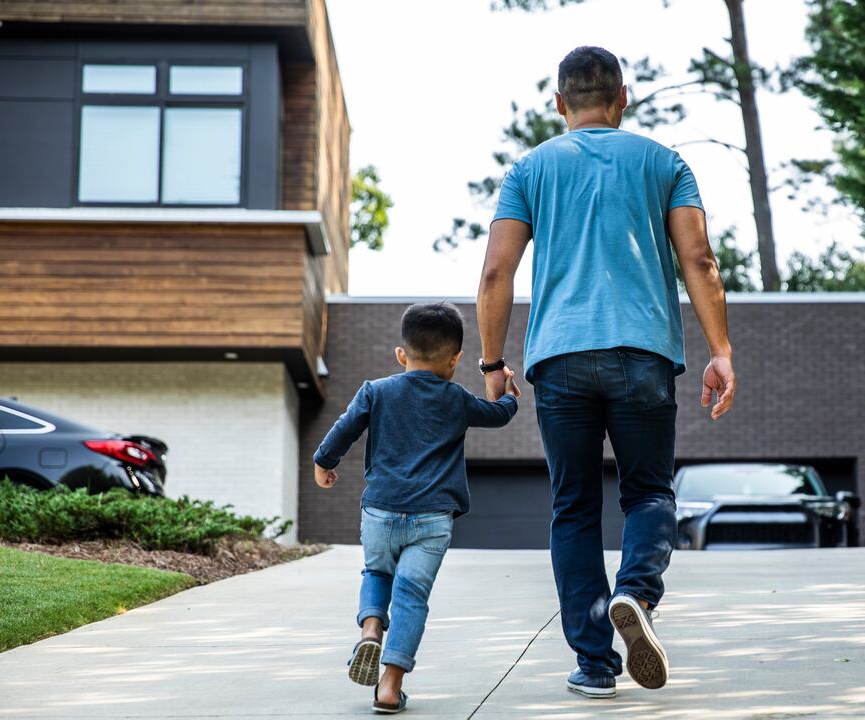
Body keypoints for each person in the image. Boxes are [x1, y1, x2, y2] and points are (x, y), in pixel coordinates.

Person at [476, 45, 737, 699]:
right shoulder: (664, 162)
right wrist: (721, 350)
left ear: (559, 103)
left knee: (573, 509)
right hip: (642, 353)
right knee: (649, 493)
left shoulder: (529, 169)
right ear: (624, 98)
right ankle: (637, 596)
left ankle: (594, 665)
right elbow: (699, 260)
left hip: (559, 360)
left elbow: (495, 273)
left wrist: (490, 363)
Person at [312, 302, 519, 714]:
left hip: (381, 511)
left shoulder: (376, 391)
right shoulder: (457, 398)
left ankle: (371, 628)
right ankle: (389, 687)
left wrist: (323, 462)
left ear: (401, 354)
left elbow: (344, 428)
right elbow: (496, 416)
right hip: (432, 519)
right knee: (411, 596)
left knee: (376, 571)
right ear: (455, 359)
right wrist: (508, 395)